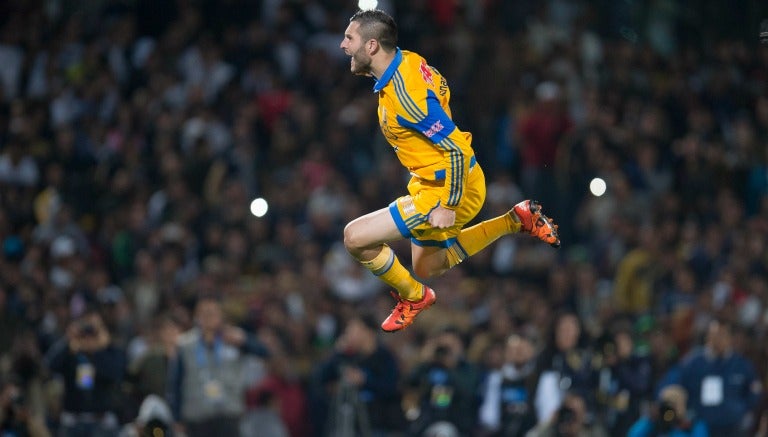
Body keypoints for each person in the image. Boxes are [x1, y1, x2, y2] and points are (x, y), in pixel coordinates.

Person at [339, 9, 560, 332]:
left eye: (349, 38)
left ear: (372, 46)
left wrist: (447, 205)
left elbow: (456, 149)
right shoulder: (407, 60)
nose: (343, 45)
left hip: (448, 189)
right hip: (436, 182)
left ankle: (414, 297)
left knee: (355, 238)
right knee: (428, 266)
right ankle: (516, 220)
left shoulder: (406, 95)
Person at [168, 296, 270, 437]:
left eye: (213, 313)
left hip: (229, 415)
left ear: (221, 316)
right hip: (197, 417)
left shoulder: (234, 338)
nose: (209, 318)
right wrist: (176, 418)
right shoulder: (185, 345)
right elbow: (175, 384)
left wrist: (244, 342)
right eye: (204, 314)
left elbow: (264, 352)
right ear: (197, 317)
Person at [44, 310, 126, 437]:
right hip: (73, 422)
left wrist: (100, 350)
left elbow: (115, 374)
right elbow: (49, 366)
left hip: (102, 422)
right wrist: (67, 342)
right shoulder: (71, 350)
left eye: (94, 330)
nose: (89, 334)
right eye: (86, 328)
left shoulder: (109, 351)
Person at [674, 317, 762, 437]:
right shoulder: (693, 363)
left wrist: (742, 412)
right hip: (700, 425)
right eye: (714, 335)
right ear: (708, 338)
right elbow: (678, 389)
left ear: (730, 338)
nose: (717, 340)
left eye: (722, 335)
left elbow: (754, 392)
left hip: (733, 426)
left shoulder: (742, 365)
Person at [627, 385, 708, 437]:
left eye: (674, 403)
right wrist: (649, 419)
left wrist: (678, 425)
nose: (670, 409)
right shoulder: (655, 423)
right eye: (667, 403)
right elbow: (633, 435)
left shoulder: (694, 423)